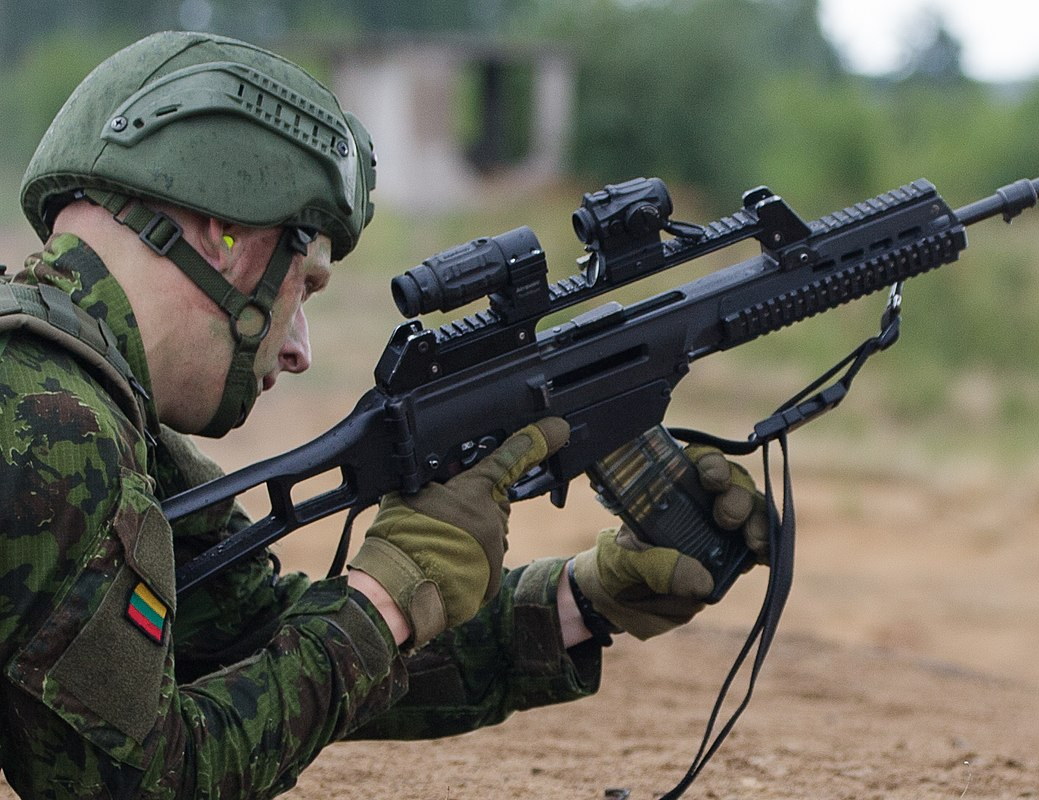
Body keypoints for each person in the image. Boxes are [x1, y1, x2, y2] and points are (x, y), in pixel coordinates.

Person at [0, 31, 768, 798]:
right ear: (223, 239)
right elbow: (137, 784)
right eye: (304, 284)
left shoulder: (76, 400)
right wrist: (387, 597)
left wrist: (580, 600)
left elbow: (250, 643)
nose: (298, 349)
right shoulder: (56, 429)